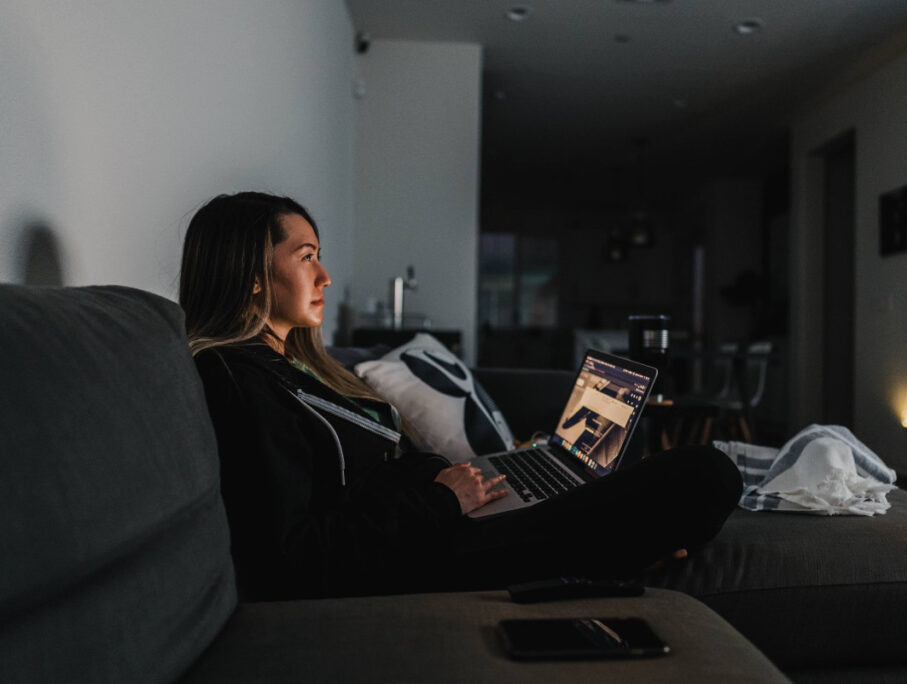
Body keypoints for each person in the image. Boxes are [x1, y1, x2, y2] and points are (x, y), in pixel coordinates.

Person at [180, 191, 741, 600]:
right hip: (425, 555)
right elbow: (291, 559)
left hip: (445, 519)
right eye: (306, 257)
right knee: (704, 474)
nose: (325, 276)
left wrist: (458, 484)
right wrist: (442, 501)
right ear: (253, 274)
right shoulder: (237, 380)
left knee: (628, 479)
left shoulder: (293, 365)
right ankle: (616, 550)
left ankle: (609, 541)